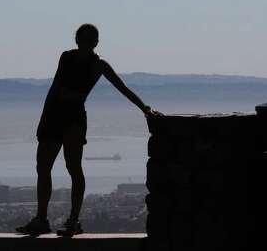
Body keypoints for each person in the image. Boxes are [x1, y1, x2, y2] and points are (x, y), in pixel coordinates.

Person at [16, 24, 161, 236]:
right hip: (56, 115)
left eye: (89, 39)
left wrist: (144, 108)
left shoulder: (98, 64)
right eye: (84, 38)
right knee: (44, 167)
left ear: (94, 42)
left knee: (73, 167)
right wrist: (44, 119)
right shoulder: (67, 57)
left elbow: (122, 87)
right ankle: (42, 218)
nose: (86, 43)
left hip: (72, 117)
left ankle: (72, 220)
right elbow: (55, 87)